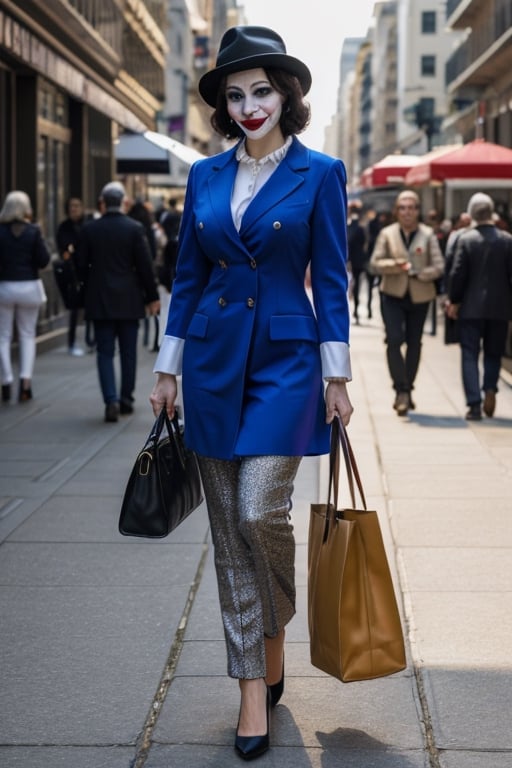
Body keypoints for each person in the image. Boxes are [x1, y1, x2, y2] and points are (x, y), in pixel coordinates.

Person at [149, 25, 353, 762]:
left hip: (288, 366)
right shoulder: (204, 176)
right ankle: (250, 688)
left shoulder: (321, 173)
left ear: (287, 96)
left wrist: (338, 377)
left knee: (258, 509)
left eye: (261, 91)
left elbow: (331, 279)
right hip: (207, 366)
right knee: (227, 535)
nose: (248, 105)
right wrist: (167, 369)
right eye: (235, 95)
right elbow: (188, 278)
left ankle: (275, 621)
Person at [76, 181, 160, 422]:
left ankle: (110, 399)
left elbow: (80, 265)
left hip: (99, 298)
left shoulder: (90, 229)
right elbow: (145, 266)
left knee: (104, 352)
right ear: (123, 202)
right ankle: (126, 399)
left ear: (103, 203)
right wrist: (152, 296)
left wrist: (89, 285)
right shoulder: (134, 228)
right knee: (128, 352)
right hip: (129, 299)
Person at [370, 189, 444, 415]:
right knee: (393, 340)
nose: (407, 212)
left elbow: (439, 266)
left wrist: (421, 272)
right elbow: (375, 263)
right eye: (402, 208)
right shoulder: (387, 233)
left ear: (418, 211)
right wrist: (396, 264)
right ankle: (401, 389)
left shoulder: (428, 234)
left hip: (420, 296)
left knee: (414, 343)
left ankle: (407, 388)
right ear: (397, 211)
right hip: (392, 294)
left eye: (411, 207)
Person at [447, 193, 512, 420]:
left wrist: (454, 301)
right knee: (494, 353)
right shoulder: (506, 240)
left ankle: (474, 404)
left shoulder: (466, 239)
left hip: (470, 308)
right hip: (500, 308)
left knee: (469, 354)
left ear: (472, 214)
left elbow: (457, 274)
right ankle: (491, 388)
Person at [0, 190, 50, 403]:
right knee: (27, 335)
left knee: (3, 336)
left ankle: (6, 380)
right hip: (29, 286)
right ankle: (25, 383)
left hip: (4, 286)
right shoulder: (33, 231)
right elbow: (43, 260)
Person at [56, 197, 87, 356]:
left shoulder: (86, 225)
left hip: (86, 271)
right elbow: (64, 249)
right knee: (74, 310)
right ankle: (71, 342)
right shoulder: (64, 227)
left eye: (76, 206)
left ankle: (90, 340)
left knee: (90, 308)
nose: (74, 209)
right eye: (71, 206)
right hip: (71, 274)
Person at [346, 200, 370, 323]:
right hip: (355, 261)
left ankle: (355, 309)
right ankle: (354, 309)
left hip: (353, 261)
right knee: (355, 286)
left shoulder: (353, 227)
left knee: (354, 286)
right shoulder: (358, 227)